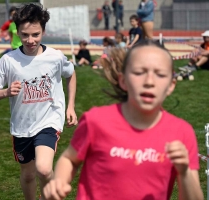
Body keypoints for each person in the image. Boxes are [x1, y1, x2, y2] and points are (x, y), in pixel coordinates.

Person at [43, 40, 204, 200]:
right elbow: (69, 159)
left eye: (160, 74)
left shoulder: (182, 133)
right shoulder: (96, 121)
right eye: (139, 72)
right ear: (123, 80)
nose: (149, 82)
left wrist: (185, 172)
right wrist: (59, 181)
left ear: (171, 85)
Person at [0, 3, 77, 200]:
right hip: (21, 126)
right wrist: (5, 92)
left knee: (44, 169)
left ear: (43, 31)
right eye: (24, 35)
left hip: (49, 120)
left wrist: (70, 106)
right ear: (17, 32)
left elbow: (71, 74)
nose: (30, 40)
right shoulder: (8, 60)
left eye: (36, 34)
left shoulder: (55, 57)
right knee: (28, 175)